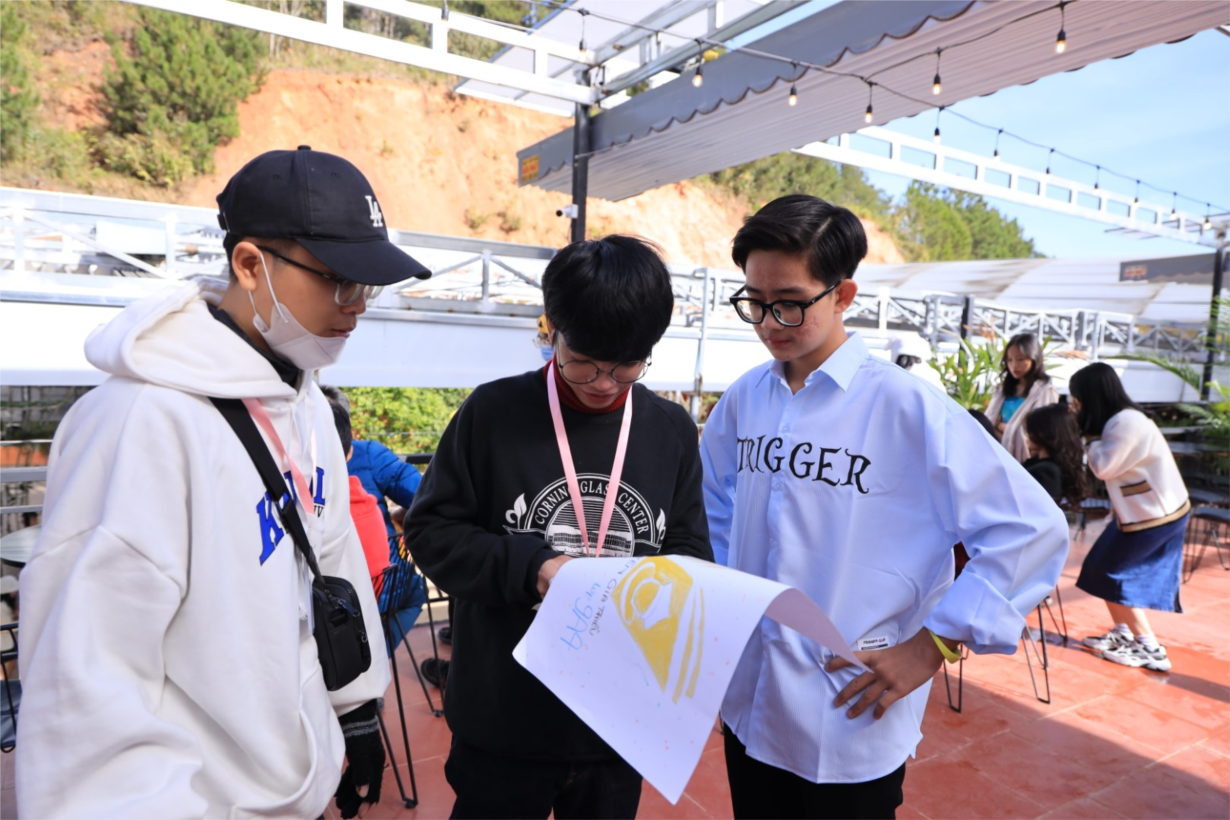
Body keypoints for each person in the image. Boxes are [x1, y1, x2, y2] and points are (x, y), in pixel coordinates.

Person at [16, 146, 431, 819]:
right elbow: (88, 676)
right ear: (249, 264)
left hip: (294, 781)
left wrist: (354, 708)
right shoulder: (139, 422)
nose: (356, 308)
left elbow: (332, 557)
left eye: (367, 288)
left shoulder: (306, 401)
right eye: (338, 281)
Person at [701, 195, 1069, 819]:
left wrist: (933, 645)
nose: (769, 322)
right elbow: (713, 507)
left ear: (843, 295)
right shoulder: (745, 399)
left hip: (849, 704)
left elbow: (1031, 529)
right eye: (754, 302)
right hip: (751, 699)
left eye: (789, 302)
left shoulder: (907, 407)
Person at [406, 235, 713, 820]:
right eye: (583, 361)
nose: (603, 383)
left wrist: (660, 590)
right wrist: (535, 568)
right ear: (552, 330)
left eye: (627, 365)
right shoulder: (492, 413)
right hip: (505, 717)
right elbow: (431, 532)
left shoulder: (670, 428)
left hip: (617, 723)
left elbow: (688, 546)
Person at [1069, 362, 1189, 673]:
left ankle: (1150, 647)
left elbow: (1103, 467)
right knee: (1097, 568)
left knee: (1112, 573)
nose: (1074, 404)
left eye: (1077, 397)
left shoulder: (1127, 422)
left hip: (1156, 515)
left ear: (1092, 395)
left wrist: (1087, 437)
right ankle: (1123, 633)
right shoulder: (1117, 421)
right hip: (1137, 513)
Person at [321, 385, 427, 652]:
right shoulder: (369, 455)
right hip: (383, 585)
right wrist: (402, 517)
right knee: (416, 592)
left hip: (325, 601)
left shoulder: (295, 471)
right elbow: (424, 496)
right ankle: (378, 651)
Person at [332, 400, 391, 583]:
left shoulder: (316, 513)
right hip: (379, 592)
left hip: (342, 599)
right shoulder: (368, 502)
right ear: (350, 452)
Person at [985, 332, 1060, 462]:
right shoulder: (1001, 390)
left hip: (1025, 459)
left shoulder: (1045, 392)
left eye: (1020, 359)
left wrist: (1001, 426)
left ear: (1034, 359)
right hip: (995, 453)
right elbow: (988, 422)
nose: (1014, 365)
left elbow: (1039, 432)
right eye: (1010, 360)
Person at [1023, 403, 1088, 507]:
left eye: (1030, 432)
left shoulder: (1046, 472)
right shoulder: (1044, 465)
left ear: (1043, 434)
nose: (1027, 437)